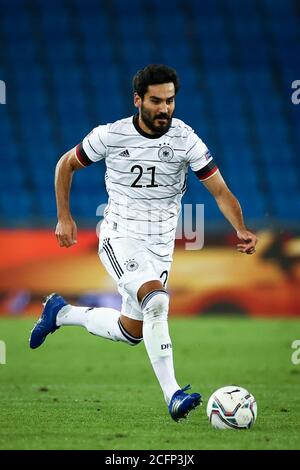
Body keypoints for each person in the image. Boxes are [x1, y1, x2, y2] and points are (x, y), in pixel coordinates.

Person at [29, 64, 257, 421]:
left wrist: (240, 228)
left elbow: (219, 190)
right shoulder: (111, 136)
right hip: (120, 236)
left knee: (131, 330)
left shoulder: (185, 140)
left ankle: (61, 312)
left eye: (170, 101)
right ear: (138, 100)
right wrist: (64, 216)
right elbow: (65, 165)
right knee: (157, 301)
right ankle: (173, 394)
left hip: (160, 247)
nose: (164, 108)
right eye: (156, 101)